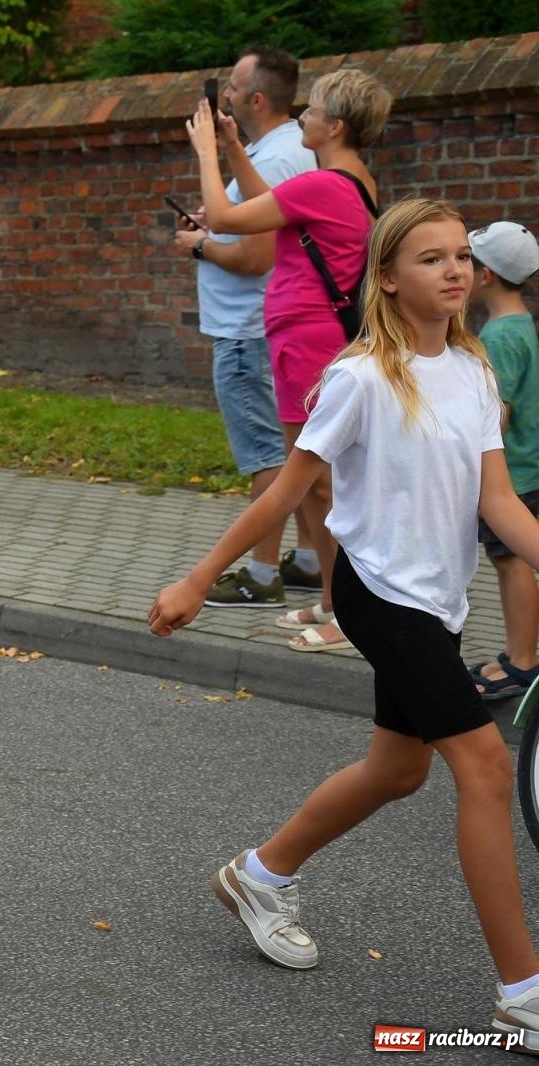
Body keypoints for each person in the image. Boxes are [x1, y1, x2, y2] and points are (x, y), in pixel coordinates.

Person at [149, 198, 539, 1047]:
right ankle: (524, 993)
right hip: (377, 591)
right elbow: (289, 493)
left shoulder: (473, 373)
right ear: (389, 279)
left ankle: (261, 873)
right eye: (430, 259)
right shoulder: (360, 377)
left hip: (436, 598)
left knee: (398, 771)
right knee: (484, 767)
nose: (453, 272)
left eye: (460, 259)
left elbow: (498, 502)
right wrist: (198, 578)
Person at [190, 67, 391, 652]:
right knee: (317, 484)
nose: (302, 117)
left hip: (310, 339)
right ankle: (333, 599)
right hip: (304, 336)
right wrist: (231, 146)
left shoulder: (326, 184)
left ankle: (348, 613)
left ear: (334, 125)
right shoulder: (344, 181)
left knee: (323, 484)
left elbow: (227, 219)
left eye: (312, 111)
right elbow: (270, 206)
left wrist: (206, 151)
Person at [182, 46, 321, 608]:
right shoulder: (277, 149)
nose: (226, 99)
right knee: (300, 452)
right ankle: (311, 560)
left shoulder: (279, 160)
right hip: (266, 327)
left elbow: (261, 256)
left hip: (250, 329)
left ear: (256, 99)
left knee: (270, 457)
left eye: (233, 90)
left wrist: (200, 245)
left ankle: (262, 573)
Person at [463, 221, 539, 700]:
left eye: (465, 261)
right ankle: (522, 652)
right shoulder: (520, 322)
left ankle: (522, 662)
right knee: (512, 561)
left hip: (510, 475)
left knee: (510, 561)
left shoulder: (499, 339)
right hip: (527, 468)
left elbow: (498, 416)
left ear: (485, 275)